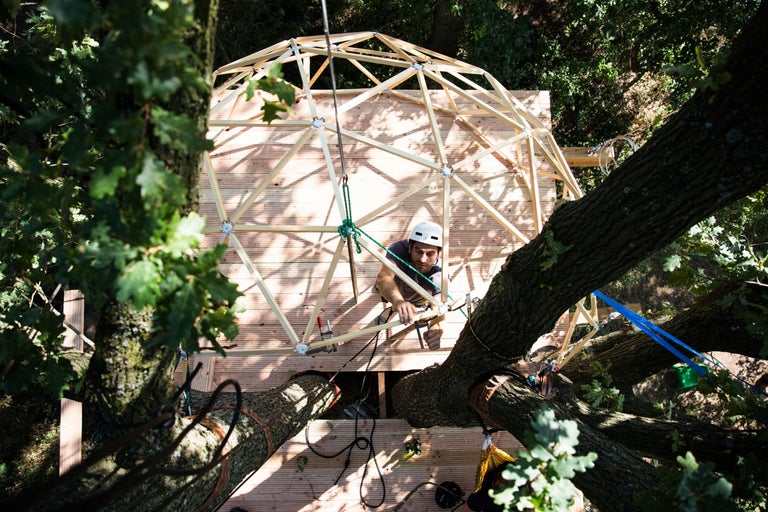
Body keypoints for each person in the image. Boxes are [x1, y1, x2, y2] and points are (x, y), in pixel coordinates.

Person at [374, 220, 444, 350]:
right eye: (419, 251)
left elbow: (438, 308)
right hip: (396, 291)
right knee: (380, 284)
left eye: (430, 254)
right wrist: (398, 301)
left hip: (419, 303)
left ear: (438, 254)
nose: (423, 259)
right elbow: (384, 276)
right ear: (410, 247)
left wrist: (435, 330)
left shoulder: (440, 274)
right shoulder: (399, 248)